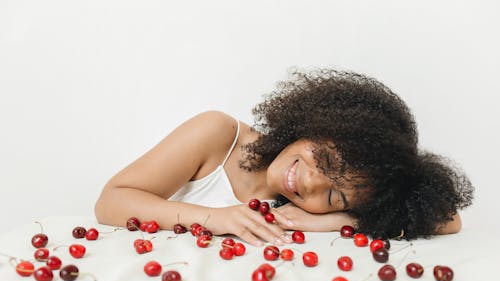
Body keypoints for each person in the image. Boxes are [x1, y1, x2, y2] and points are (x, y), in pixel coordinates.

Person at [94, 68, 473, 246]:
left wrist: (338, 220)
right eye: (325, 160)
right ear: (319, 124)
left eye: (332, 196)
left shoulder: (301, 212)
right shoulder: (218, 134)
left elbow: (449, 220)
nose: (310, 183)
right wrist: (217, 219)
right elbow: (111, 200)